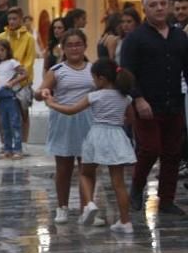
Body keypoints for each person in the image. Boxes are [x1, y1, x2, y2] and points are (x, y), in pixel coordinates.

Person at [44, 59, 135, 233]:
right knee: (119, 183)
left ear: (101, 79)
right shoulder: (126, 97)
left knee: (86, 173)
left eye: (93, 79)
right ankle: (125, 222)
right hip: (117, 136)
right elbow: (130, 119)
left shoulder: (95, 96)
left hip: (97, 136)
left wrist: (52, 103)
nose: (93, 82)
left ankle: (89, 204)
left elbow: (71, 110)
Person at [121, 0, 188, 215]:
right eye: (153, 5)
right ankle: (137, 188)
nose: (159, 8)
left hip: (174, 102)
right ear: (145, 10)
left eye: (162, 3)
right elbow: (127, 72)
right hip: (147, 104)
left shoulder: (180, 37)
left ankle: (166, 200)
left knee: (172, 152)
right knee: (150, 149)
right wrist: (138, 98)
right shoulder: (135, 38)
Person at [39, 29, 94, 224]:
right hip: (63, 120)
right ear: (63, 48)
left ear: (85, 46)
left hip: (89, 121)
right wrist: (45, 92)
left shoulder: (93, 69)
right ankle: (62, 207)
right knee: (64, 168)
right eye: (69, 45)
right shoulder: (57, 70)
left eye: (78, 44)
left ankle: (86, 207)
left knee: (87, 167)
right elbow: (41, 90)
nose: (74, 48)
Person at [0, 7, 37, 144]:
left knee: (22, 112)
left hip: (22, 81)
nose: (12, 21)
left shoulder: (29, 38)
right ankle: (5, 143)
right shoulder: (1, 36)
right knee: (0, 112)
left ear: (21, 19)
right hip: (4, 81)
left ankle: (23, 143)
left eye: (15, 18)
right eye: (10, 19)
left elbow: (29, 61)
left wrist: (17, 78)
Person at [0, 40, 25, 159]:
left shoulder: (12, 62)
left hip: (11, 96)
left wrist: (12, 83)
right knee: (4, 124)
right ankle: (8, 148)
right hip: (1, 97)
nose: (0, 53)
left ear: (7, 50)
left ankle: (18, 149)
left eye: (2, 50)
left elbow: (24, 74)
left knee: (15, 123)